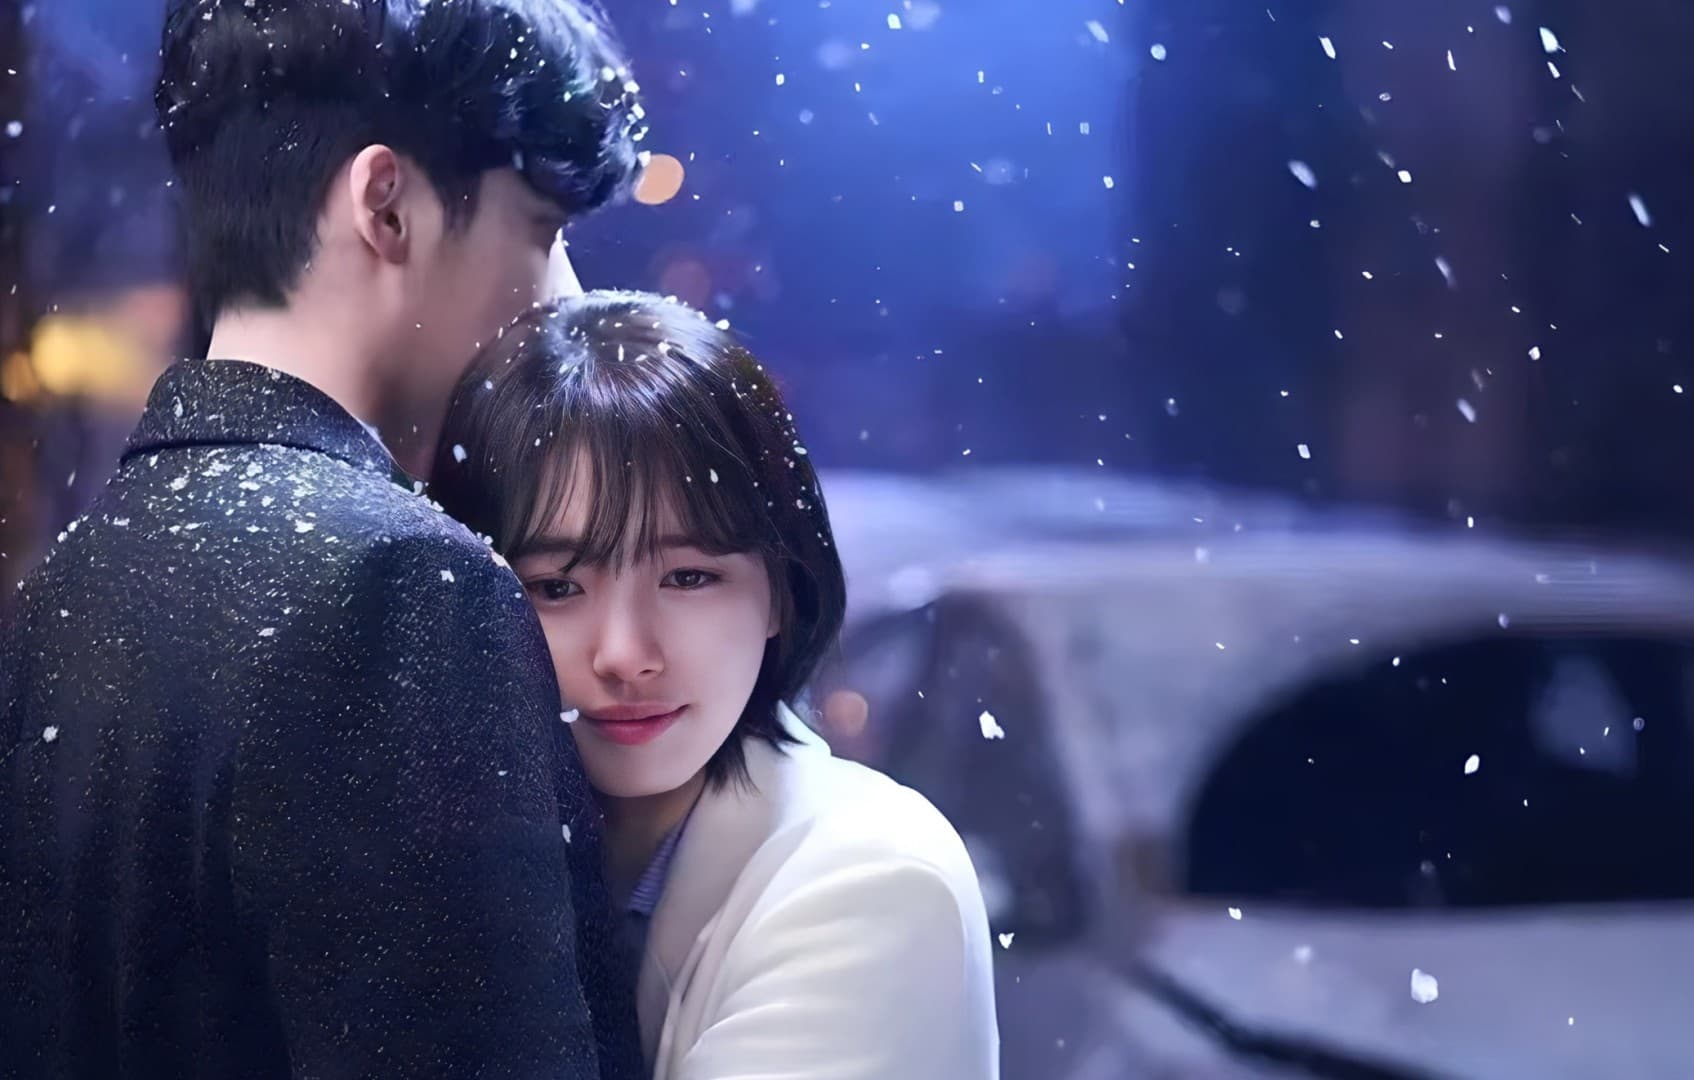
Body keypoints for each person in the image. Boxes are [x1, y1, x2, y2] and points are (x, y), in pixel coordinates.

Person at [0, 2, 646, 1076]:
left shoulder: (73, 578)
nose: (566, 294)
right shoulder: (402, 584)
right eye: (542, 229)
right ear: (386, 205)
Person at [430, 290, 1002, 1079]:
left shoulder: (869, 877)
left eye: (689, 577)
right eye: (557, 587)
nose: (626, 655)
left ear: (781, 591)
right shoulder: (466, 856)